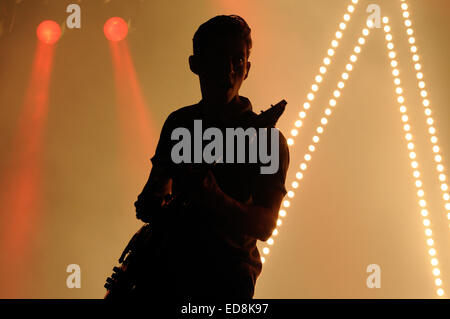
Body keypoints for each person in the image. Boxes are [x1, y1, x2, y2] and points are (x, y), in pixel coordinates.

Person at [133, 14, 289, 299]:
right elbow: (153, 194)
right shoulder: (179, 123)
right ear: (195, 64)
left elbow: (265, 225)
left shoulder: (267, 139)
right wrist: (151, 205)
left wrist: (214, 198)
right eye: (218, 58)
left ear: (248, 68)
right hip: (167, 272)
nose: (229, 70)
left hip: (226, 280)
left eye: (237, 60)